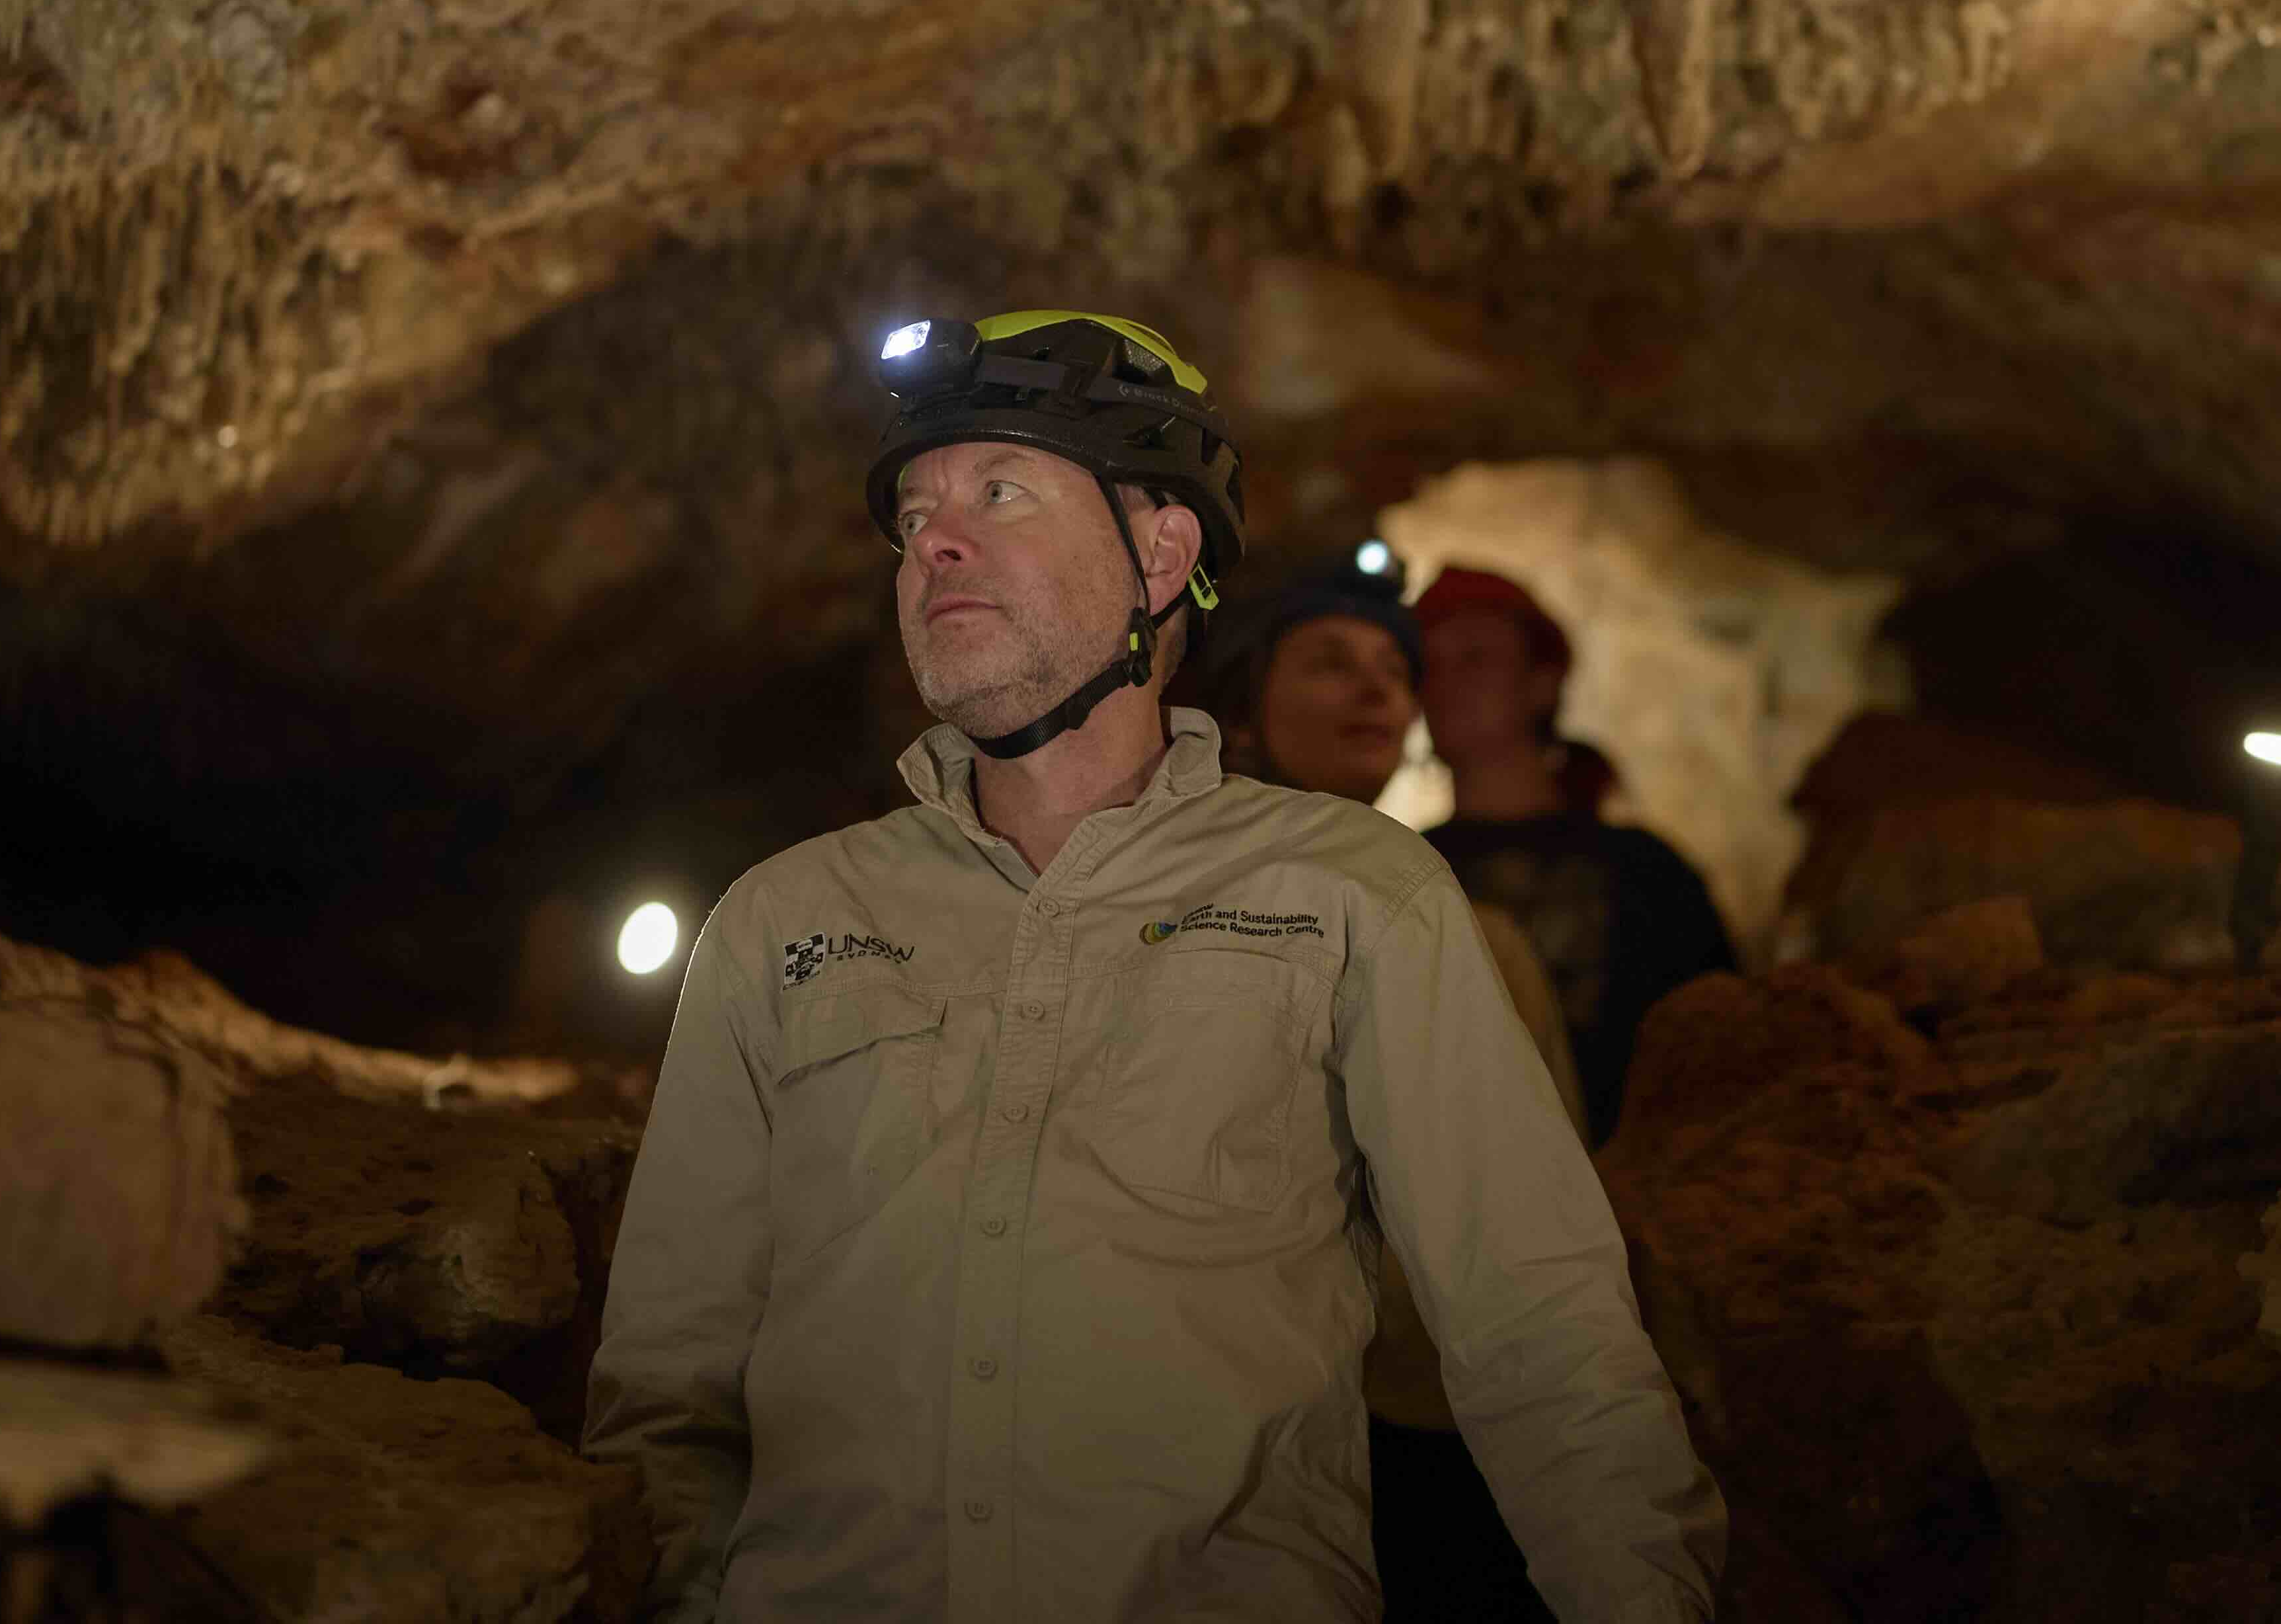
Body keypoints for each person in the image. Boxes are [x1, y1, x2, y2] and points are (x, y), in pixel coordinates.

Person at [584, 313, 1723, 1624]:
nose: (933, 539)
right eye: (913, 512)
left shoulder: (1351, 894)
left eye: (997, 489)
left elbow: (1542, 1339)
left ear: (1160, 551)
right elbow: (665, 1392)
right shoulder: (778, 918)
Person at [1174, 552, 1586, 1624]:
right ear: (1247, 715)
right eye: (1327, 664)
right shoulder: (1159, 915)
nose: (1372, 689)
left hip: (1427, 1417)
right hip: (1213, 1422)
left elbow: (1542, 1196)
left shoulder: (1469, 931)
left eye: (1390, 673)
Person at [1413, 568, 1740, 1145]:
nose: (1444, 683)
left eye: (1474, 658)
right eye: (1427, 665)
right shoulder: (1405, 867)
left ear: (1541, 684)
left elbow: (1717, 1052)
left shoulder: (1646, 873)